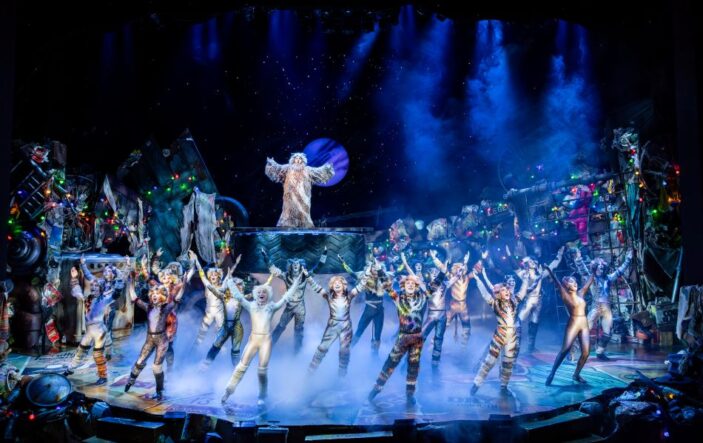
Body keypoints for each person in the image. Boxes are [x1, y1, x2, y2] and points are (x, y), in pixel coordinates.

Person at [221, 275, 302, 407]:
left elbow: (286, 297)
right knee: (241, 367)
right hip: (253, 340)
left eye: (264, 292)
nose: (261, 294)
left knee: (262, 371)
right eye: (259, 292)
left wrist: (296, 283)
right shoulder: (251, 306)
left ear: (268, 294)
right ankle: (228, 391)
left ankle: (262, 396)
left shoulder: (272, 307)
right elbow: (238, 297)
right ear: (255, 294)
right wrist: (230, 281)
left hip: (265, 341)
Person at [470, 271, 528, 395]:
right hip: (500, 336)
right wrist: (478, 280)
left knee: (508, 363)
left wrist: (526, 280)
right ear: (499, 294)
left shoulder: (514, 302)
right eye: (503, 290)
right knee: (489, 361)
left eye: (507, 290)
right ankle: (477, 383)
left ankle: (504, 386)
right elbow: (485, 293)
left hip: (512, 337)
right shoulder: (495, 304)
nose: (506, 292)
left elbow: (522, 292)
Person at [306, 274, 366, 377]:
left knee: (344, 351)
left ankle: (342, 376)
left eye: (339, 283)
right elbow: (316, 287)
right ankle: (310, 373)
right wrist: (308, 277)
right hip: (332, 325)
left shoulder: (349, 296)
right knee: (322, 348)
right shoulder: (328, 296)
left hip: (346, 326)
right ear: (331, 286)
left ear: (344, 286)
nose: (337, 284)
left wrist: (368, 274)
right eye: (334, 283)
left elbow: (360, 286)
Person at [544, 267, 595, 386]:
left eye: (575, 281)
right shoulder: (565, 295)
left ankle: (576, 374)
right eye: (571, 282)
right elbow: (557, 282)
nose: (575, 283)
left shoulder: (580, 294)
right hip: (573, 323)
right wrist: (550, 270)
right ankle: (552, 373)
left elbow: (588, 283)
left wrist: (593, 271)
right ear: (566, 286)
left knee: (586, 353)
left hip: (584, 324)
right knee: (565, 350)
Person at [264, 152, 334, 228]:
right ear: (293, 160)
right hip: (290, 196)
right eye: (296, 158)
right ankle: (287, 225)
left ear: (302, 160)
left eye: (300, 158)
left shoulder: (307, 170)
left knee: (303, 211)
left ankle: (304, 225)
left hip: (303, 196)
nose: (298, 160)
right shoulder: (287, 168)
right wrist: (272, 164)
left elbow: (318, 172)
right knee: (289, 211)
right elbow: (278, 168)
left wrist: (326, 168)